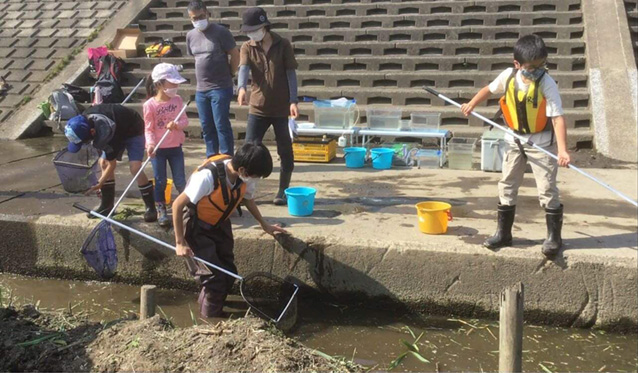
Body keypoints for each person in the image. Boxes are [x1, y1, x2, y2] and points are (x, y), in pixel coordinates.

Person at [460, 34, 571, 258]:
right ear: (517, 64)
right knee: (507, 184)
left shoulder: (546, 83)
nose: (537, 70)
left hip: (540, 143)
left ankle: (553, 238)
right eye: (532, 67)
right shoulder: (509, 76)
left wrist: (562, 150)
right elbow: (489, 90)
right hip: (514, 140)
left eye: (542, 65)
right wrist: (471, 103)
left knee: (547, 189)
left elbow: (558, 118)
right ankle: (503, 233)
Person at [172, 142, 288, 317]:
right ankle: (210, 320)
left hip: (220, 224)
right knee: (213, 278)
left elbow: (247, 199)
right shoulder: (207, 177)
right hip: (197, 227)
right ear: (242, 170)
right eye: (256, 176)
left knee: (228, 272)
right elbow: (177, 205)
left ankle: (209, 305)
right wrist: (179, 243)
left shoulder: (245, 178)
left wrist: (264, 224)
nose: (255, 180)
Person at [237, 7, 299, 205]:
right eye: (248, 31)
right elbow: (243, 69)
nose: (252, 34)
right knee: (249, 150)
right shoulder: (247, 47)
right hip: (258, 107)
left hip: (281, 108)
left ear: (264, 26)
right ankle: (244, 191)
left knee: (285, 150)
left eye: (254, 29)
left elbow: (291, 74)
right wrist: (241, 88)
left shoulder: (283, 44)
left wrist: (293, 100)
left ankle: (283, 190)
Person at [64, 104, 158, 222]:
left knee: (135, 168)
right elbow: (106, 162)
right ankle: (107, 207)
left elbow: (112, 164)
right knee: (102, 162)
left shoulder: (106, 132)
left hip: (133, 130)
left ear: (92, 132)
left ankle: (150, 207)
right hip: (118, 126)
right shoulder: (84, 120)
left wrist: (99, 183)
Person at [186, 0, 239, 157]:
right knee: (206, 125)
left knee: (221, 123)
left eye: (200, 16)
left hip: (220, 87)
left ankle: (226, 156)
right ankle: (211, 155)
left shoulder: (221, 32)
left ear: (207, 14)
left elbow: (234, 54)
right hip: (201, 89)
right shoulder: (190, 36)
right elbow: (195, 57)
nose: (197, 20)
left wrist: (231, 73)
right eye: (194, 18)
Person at [143, 63, 189, 227]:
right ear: (160, 84)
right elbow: (148, 129)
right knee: (160, 180)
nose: (176, 86)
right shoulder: (149, 105)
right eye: (172, 83)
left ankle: (186, 206)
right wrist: (150, 145)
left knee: (180, 180)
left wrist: (176, 125)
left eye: (177, 83)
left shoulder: (177, 100)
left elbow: (185, 121)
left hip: (175, 147)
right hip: (158, 150)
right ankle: (161, 208)